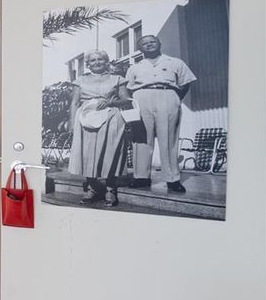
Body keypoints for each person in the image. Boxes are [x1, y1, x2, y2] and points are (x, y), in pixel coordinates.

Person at [124, 34, 197, 193]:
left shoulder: (175, 62)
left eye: (152, 42)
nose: (149, 45)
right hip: (141, 98)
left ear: (159, 43)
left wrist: (175, 98)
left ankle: (172, 179)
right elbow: (127, 89)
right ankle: (141, 177)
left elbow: (185, 84)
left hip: (167, 96)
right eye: (144, 43)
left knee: (169, 138)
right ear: (139, 49)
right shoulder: (134, 67)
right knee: (141, 139)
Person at [68, 50, 132, 206]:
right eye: (93, 60)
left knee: (112, 152)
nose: (97, 62)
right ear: (88, 64)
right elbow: (74, 103)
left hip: (111, 118)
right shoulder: (80, 81)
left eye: (100, 59)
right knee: (87, 154)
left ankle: (110, 189)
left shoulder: (117, 79)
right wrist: (71, 124)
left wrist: (111, 102)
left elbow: (127, 100)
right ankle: (92, 188)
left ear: (106, 62)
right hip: (86, 118)